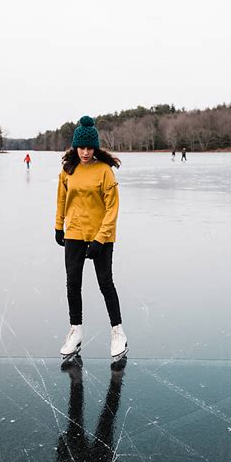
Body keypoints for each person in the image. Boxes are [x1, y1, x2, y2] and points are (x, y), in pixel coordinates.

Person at [55, 115, 128, 362]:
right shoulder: (68, 170)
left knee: (105, 283)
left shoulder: (104, 171)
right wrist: (58, 226)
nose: (85, 152)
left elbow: (112, 208)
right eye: (81, 147)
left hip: (101, 236)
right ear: (75, 146)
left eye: (89, 148)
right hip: (74, 233)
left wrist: (100, 238)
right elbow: (61, 200)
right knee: (72, 284)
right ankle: (75, 331)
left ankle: (118, 332)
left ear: (95, 147)